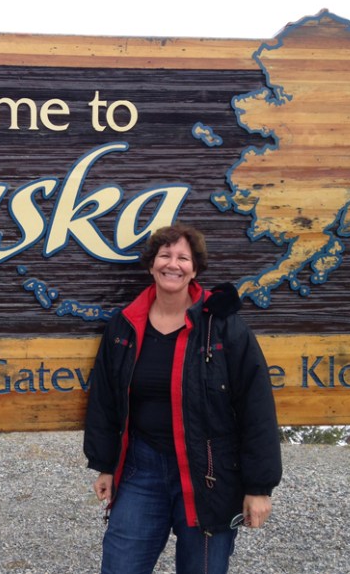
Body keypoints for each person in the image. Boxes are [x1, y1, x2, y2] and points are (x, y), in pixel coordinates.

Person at [83, 224, 282, 574]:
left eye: (183, 258)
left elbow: (257, 407)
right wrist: (106, 465)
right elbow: (104, 400)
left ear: (195, 269)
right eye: (165, 255)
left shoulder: (223, 326)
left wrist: (259, 487)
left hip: (208, 473)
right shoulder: (125, 325)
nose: (172, 264)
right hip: (141, 469)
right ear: (151, 265)